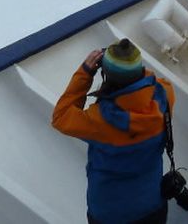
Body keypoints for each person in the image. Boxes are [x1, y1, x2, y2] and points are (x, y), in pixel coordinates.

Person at [52, 39, 176, 224]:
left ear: (106, 75)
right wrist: (129, 68)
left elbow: (61, 116)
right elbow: (152, 81)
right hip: (152, 204)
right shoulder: (165, 96)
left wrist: (85, 72)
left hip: (110, 214)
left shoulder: (101, 120)